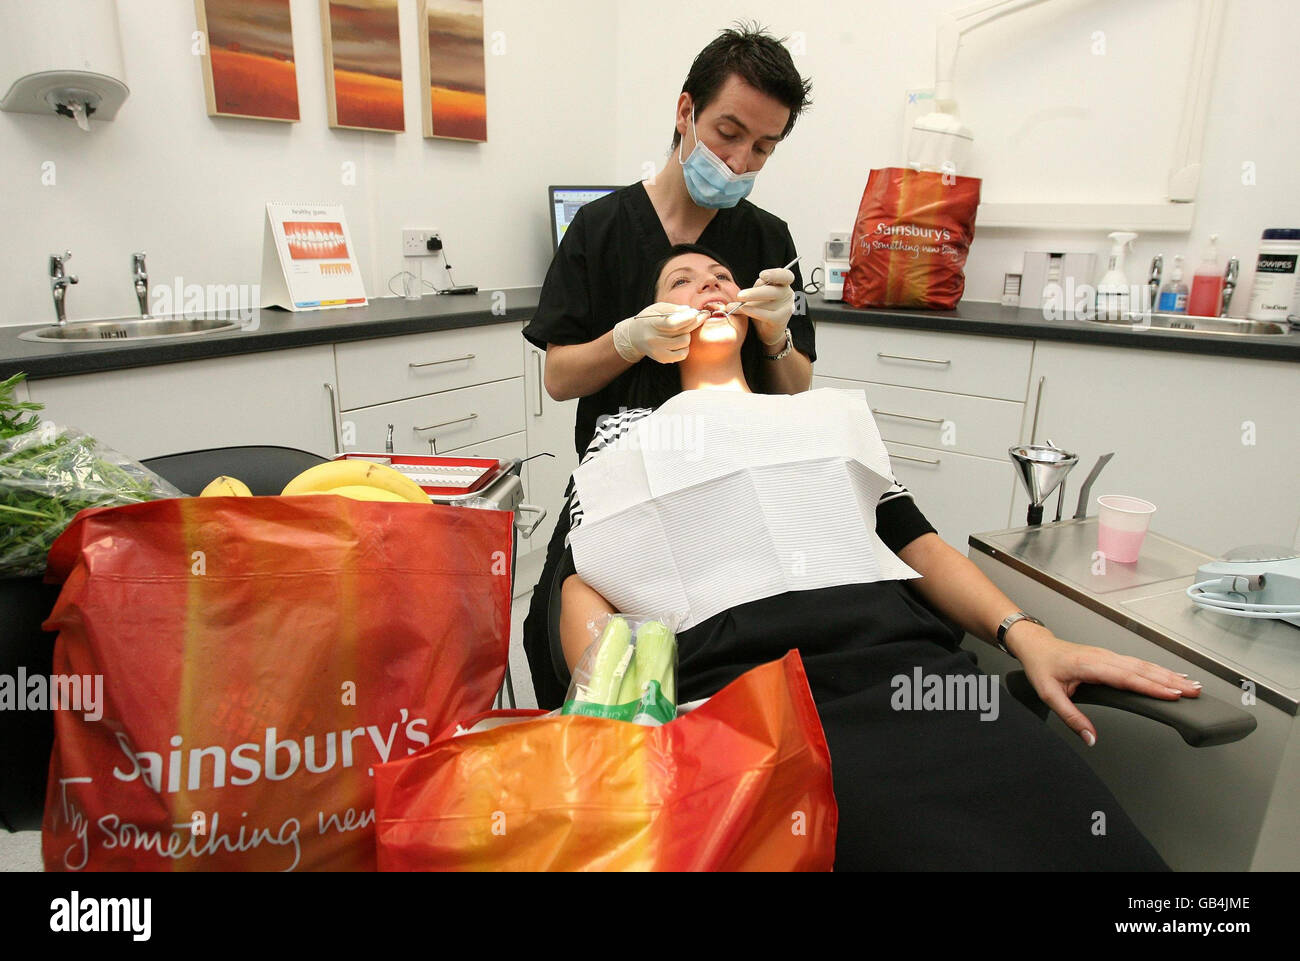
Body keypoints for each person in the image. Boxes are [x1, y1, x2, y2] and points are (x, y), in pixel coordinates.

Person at [557, 246, 1199, 870]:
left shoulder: (825, 419)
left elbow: (914, 538)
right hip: (743, 690)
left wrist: (1031, 638)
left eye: (723, 277)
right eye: (682, 282)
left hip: (907, 667)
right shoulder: (625, 438)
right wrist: (616, 707)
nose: (710, 287)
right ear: (651, 323)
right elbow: (583, 580)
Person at [522, 24, 816, 708]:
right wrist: (625, 340)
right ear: (684, 112)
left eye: (763, 148)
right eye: (728, 133)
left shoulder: (767, 239)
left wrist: (774, 333)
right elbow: (561, 377)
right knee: (566, 618)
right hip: (620, 479)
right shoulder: (598, 230)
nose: (740, 160)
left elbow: (798, 385)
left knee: (757, 634)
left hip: (731, 476)